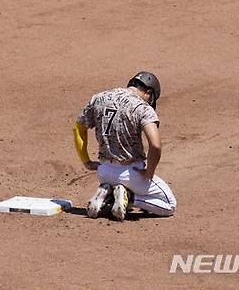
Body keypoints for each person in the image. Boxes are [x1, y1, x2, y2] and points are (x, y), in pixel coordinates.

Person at [73, 71, 177, 221]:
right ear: (148, 92)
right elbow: (155, 145)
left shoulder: (99, 98)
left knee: (114, 181)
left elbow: (78, 127)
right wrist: (149, 172)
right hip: (131, 174)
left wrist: (86, 160)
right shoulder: (142, 107)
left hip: (104, 171)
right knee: (169, 204)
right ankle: (130, 196)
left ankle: (107, 195)